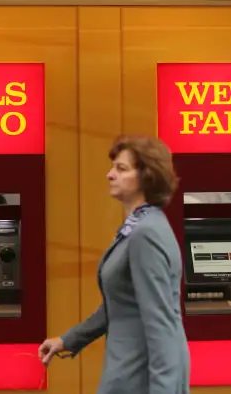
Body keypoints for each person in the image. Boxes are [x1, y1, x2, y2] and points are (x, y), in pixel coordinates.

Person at [38, 135, 190, 393]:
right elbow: (120, 302)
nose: (110, 175)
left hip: (138, 375)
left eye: (121, 169)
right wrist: (68, 340)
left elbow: (161, 323)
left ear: (147, 176)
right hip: (129, 371)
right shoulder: (139, 227)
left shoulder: (145, 234)